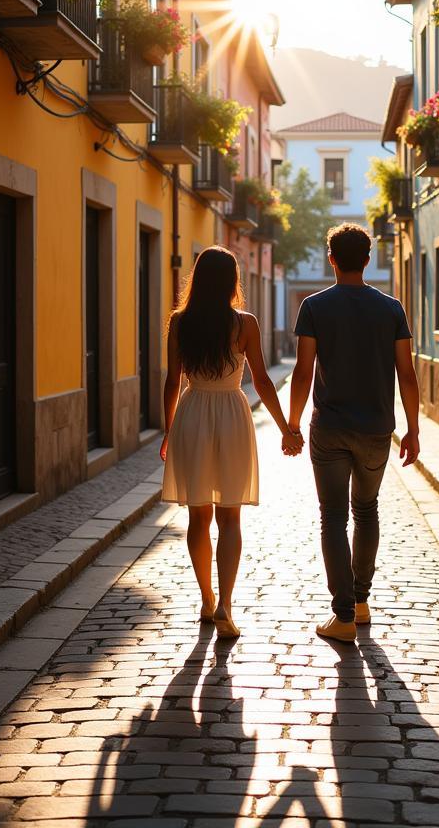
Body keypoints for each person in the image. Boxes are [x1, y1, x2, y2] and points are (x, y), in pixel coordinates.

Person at [287, 223, 420, 643]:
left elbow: (303, 371)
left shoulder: (313, 306)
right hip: (377, 429)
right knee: (367, 510)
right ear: (368, 259)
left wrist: (292, 425)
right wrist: (413, 429)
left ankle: (342, 615)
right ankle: (361, 602)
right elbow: (407, 374)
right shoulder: (392, 308)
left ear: (331, 259)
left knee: (333, 518)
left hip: (328, 428)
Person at [161, 246, 303, 639]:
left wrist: (169, 431)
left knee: (198, 517)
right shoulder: (246, 324)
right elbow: (261, 380)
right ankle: (225, 604)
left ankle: (206, 599)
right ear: (232, 281)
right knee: (230, 517)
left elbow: (173, 382)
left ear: (199, 278)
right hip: (232, 416)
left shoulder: (179, 323)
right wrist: (286, 430)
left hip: (192, 415)